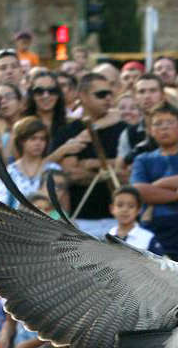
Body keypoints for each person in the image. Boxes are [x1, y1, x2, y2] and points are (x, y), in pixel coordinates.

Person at [51, 73, 127, 237]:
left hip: (119, 219)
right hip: (81, 218)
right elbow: (71, 174)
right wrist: (108, 171)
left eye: (109, 94)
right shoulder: (68, 131)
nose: (107, 98)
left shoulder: (123, 129)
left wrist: (90, 163)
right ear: (82, 96)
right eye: (100, 94)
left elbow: (127, 171)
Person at [130, 102, 178, 261]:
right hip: (155, 235)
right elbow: (139, 191)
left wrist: (158, 185)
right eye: (158, 124)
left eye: (170, 122)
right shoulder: (143, 159)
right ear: (150, 130)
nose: (164, 128)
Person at [7, 117, 61, 205]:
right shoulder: (10, 171)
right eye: (33, 138)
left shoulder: (54, 169)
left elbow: (62, 204)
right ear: (21, 141)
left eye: (42, 139)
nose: (38, 143)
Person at [107, 186, 163, 255]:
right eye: (120, 205)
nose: (125, 210)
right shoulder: (106, 237)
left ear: (139, 210)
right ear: (112, 209)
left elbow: (159, 263)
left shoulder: (148, 238)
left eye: (131, 206)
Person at [22, 72, 68, 144]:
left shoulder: (70, 123)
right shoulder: (22, 126)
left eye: (52, 91)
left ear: (58, 94)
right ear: (32, 95)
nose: (46, 96)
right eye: (39, 91)